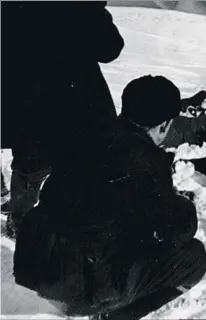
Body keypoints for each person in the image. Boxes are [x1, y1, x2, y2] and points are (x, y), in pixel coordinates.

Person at [13, 75, 206, 320]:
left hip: (34, 262)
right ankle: (115, 316)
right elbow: (173, 232)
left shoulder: (87, 134)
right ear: (164, 125)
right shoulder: (145, 158)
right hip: (77, 287)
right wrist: (184, 205)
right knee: (194, 258)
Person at [1, 1, 125, 238]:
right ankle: (72, 225)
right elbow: (110, 48)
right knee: (81, 165)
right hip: (77, 106)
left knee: (29, 165)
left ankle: (20, 222)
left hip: (26, 103)